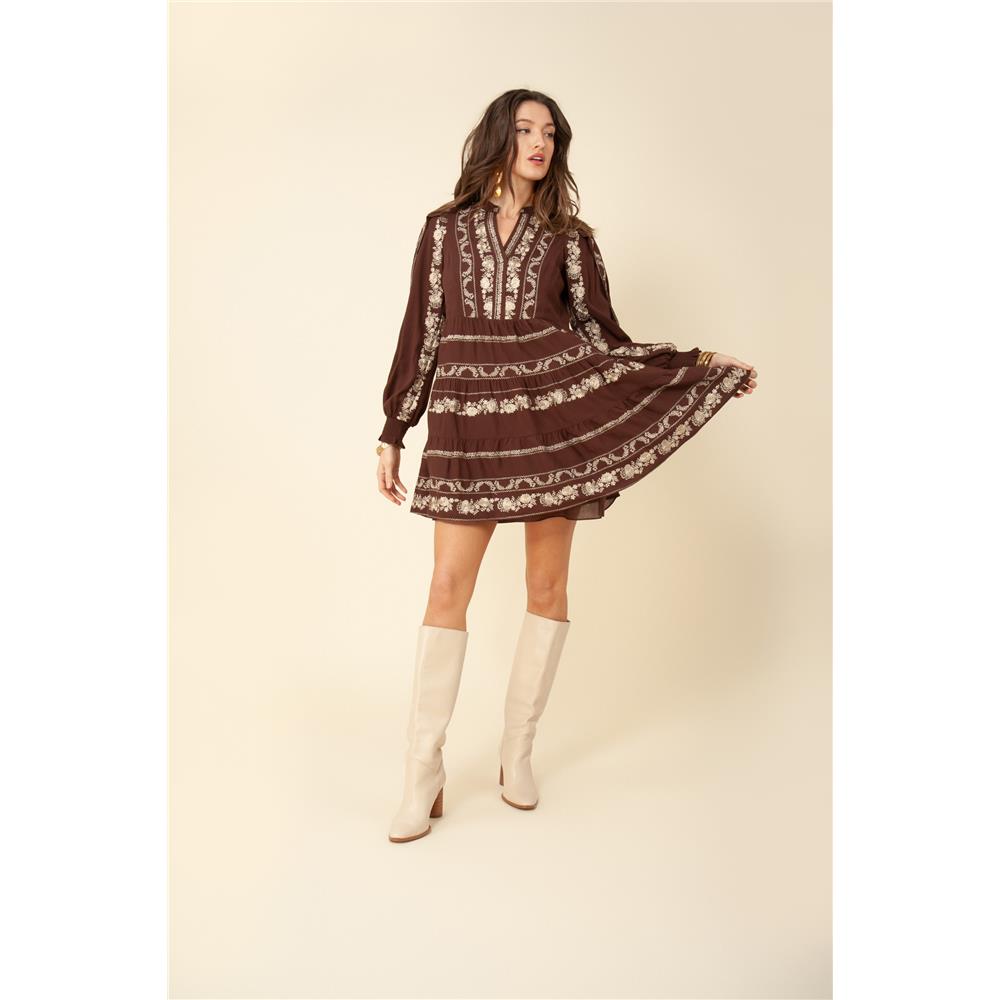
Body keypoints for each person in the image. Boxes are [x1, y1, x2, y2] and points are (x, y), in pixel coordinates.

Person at [377, 89, 758, 843]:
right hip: (465, 422)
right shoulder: (444, 230)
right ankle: (423, 773)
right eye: (525, 129)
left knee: (547, 585)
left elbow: (605, 340)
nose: (539, 143)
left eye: (549, 133)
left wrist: (694, 364)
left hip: (548, 421)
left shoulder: (570, 239)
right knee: (447, 586)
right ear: (498, 138)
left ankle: (517, 752)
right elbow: (423, 329)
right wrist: (395, 427)